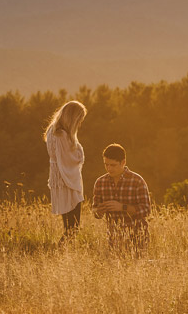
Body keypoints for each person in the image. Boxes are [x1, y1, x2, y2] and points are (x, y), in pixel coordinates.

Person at [92, 143, 151, 254]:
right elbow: (95, 212)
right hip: (113, 238)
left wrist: (122, 207)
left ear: (123, 162)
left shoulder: (137, 181)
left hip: (138, 237)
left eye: (113, 165)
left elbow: (146, 210)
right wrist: (99, 211)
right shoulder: (100, 182)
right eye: (106, 164)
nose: (109, 168)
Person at [43, 100, 87, 243]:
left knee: (70, 226)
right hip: (66, 180)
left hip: (60, 179)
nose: (80, 123)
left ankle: (65, 254)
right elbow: (71, 158)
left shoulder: (53, 130)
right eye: (79, 119)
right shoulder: (61, 135)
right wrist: (80, 153)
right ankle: (60, 253)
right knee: (73, 227)